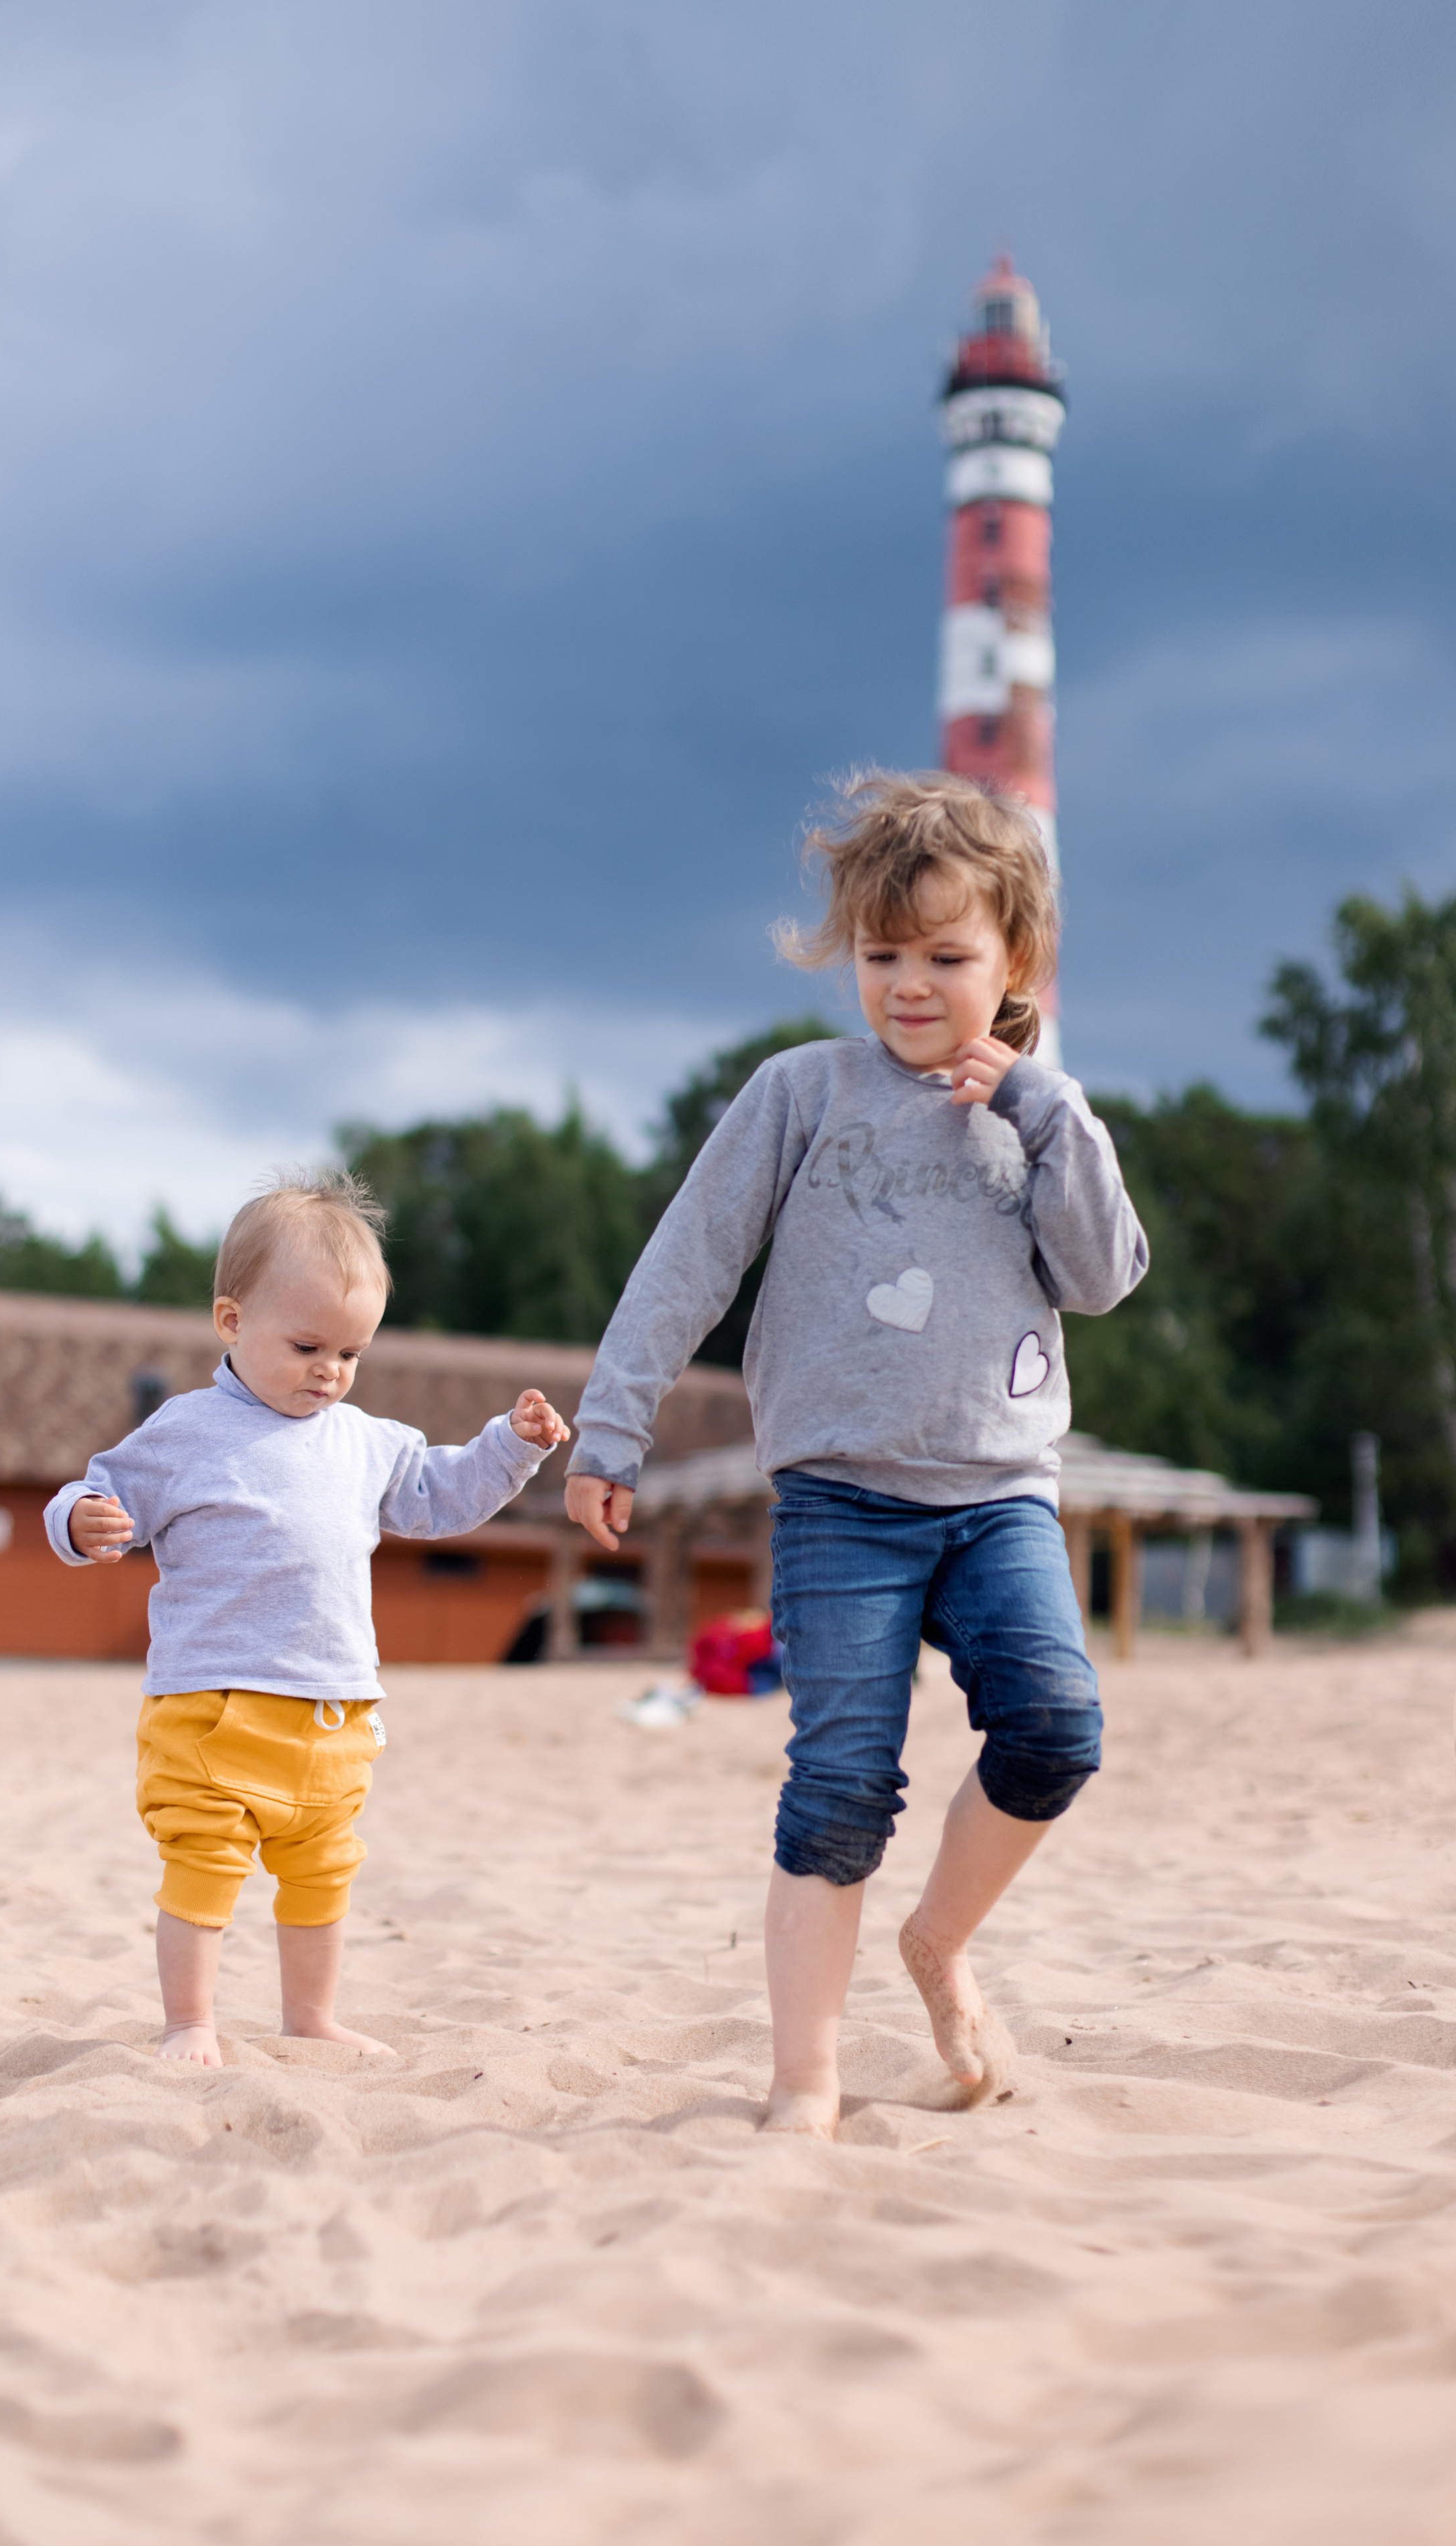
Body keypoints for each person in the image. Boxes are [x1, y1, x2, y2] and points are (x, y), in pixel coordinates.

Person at [564, 772, 1148, 2138]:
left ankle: (938, 1944)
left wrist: (1046, 1114)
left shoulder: (1043, 1115)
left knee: (1055, 1727)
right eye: (880, 955)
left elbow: (1104, 1276)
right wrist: (612, 1422)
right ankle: (804, 2083)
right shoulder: (799, 1093)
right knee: (839, 1782)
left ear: (1015, 962)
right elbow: (682, 1265)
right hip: (839, 1502)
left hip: (997, 1492)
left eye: (943, 957)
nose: (905, 984)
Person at [44, 1170, 569, 2069]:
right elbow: (101, 1489)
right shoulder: (185, 1431)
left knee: (323, 1877)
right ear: (231, 1322)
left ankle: (311, 2016)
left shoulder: (366, 1442)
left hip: (334, 1713)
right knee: (203, 1868)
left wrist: (510, 1447)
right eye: (307, 1345)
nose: (330, 1370)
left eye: (351, 1353)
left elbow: (442, 1497)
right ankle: (191, 2023)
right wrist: (78, 1521)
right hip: (211, 1710)